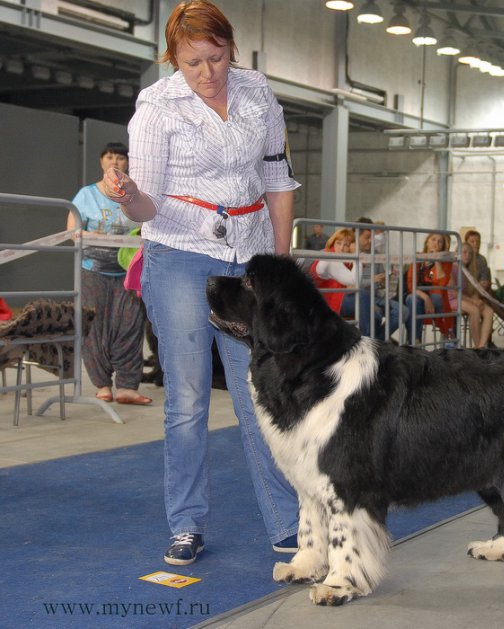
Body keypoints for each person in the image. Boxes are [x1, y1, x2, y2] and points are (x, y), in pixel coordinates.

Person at [99, 0, 299, 566]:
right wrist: (124, 193)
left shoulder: (258, 93)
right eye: (192, 63)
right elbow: (147, 205)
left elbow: (278, 179)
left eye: (216, 57)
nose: (207, 72)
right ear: (173, 60)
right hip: (181, 254)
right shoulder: (156, 108)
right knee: (186, 400)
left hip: (249, 255)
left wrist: (278, 264)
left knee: (260, 397)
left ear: (232, 49)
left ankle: (288, 524)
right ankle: (186, 523)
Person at [67, 142, 151, 406]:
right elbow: (72, 233)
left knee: (131, 325)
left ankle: (127, 386)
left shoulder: (134, 196)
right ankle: (102, 384)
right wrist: (96, 236)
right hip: (93, 271)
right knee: (94, 326)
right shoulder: (85, 195)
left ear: (127, 163)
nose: (114, 161)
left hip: (127, 273)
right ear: (102, 163)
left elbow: (146, 229)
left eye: (120, 157)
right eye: (109, 157)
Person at [310, 228, 380, 335]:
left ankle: (372, 339)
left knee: (377, 315)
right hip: (326, 304)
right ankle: (366, 339)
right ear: (333, 243)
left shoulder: (333, 256)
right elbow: (354, 281)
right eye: (338, 243)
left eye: (346, 245)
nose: (342, 248)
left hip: (327, 301)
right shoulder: (331, 259)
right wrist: (357, 258)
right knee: (364, 297)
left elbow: (349, 285)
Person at [353, 225, 408, 340]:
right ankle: (375, 343)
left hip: (377, 296)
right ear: (356, 236)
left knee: (403, 311)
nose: (370, 241)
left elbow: (380, 280)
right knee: (376, 316)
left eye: (372, 238)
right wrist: (371, 280)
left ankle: (378, 341)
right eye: (367, 238)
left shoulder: (376, 254)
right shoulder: (350, 254)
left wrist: (384, 280)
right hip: (361, 297)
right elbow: (350, 283)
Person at [405, 232, 454, 344]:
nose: (436, 243)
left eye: (440, 241)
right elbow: (411, 285)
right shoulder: (418, 257)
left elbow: (441, 283)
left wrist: (436, 259)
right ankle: (415, 340)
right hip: (419, 298)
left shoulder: (446, 261)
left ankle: (445, 334)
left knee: (436, 298)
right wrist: (426, 298)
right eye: (433, 239)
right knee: (411, 299)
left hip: (437, 299)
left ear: (442, 246)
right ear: (427, 242)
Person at [448, 242, 494, 348]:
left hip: (464, 299)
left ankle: (482, 344)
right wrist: (473, 301)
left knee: (489, 311)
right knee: (475, 310)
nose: (467, 255)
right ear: (456, 253)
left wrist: (476, 298)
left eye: (470, 253)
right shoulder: (452, 267)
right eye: (464, 252)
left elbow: (469, 292)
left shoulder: (468, 270)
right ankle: (478, 346)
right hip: (451, 299)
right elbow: (454, 292)